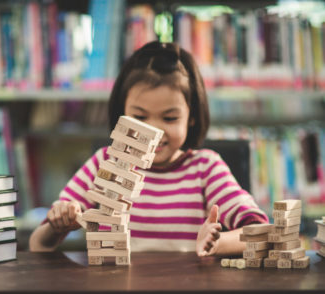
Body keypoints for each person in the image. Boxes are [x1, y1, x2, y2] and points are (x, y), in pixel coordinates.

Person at [29, 41, 268, 256]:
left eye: (170, 118)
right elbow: (39, 244)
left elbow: (262, 232)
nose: (154, 133)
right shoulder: (105, 163)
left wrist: (218, 243)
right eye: (139, 117)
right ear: (122, 113)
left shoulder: (205, 168)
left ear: (191, 117)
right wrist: (58, 223)